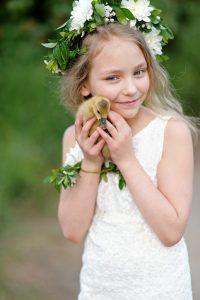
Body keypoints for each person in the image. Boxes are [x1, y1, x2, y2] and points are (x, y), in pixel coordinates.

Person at [44, 1, 198, 299]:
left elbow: (171, 231)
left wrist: (126, 158)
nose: (130, 88)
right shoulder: (74, 138)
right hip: (100, 289)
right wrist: (90, 160)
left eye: (139, 72)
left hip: (160, 289)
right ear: (85, 84)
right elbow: (73, 231)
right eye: (113, 77)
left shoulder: (170, 133)